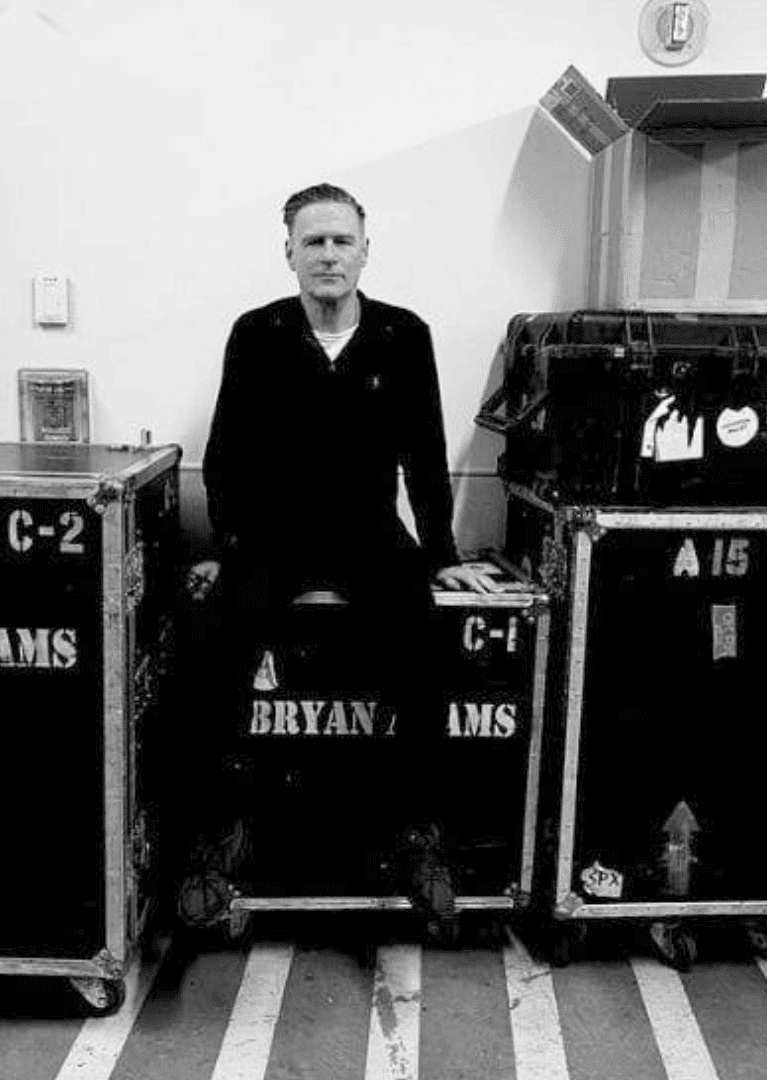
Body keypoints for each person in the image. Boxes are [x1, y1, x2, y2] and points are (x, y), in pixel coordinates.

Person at [179, 183, 487, 929]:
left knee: (421, 644)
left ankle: (417, 837)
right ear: (288, 252)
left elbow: (425, 452)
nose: (327, 255)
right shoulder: (256, 332)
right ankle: (218, 842)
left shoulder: (404, 335)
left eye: (340, 241)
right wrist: (228, 549)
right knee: (213, 644)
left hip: (369, 537)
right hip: (274, 539)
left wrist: (440, 552)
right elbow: (225, 455)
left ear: (363, 252)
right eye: (312, 241)